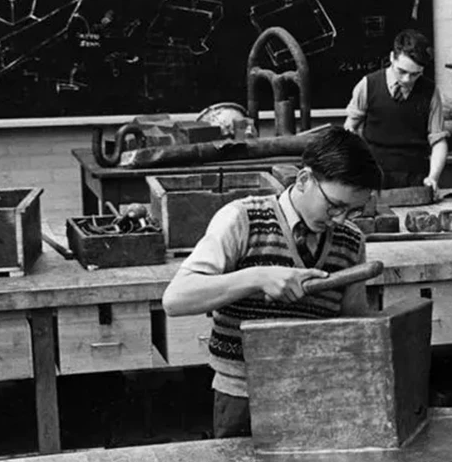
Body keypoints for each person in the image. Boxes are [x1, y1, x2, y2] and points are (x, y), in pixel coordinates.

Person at [161, 128, 381, 439]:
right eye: (334, 205)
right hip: (243, 396)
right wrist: (258, 277)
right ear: (304, 180)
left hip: (317, 397)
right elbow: (175, 299)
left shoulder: (351, 241)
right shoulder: (242, 219)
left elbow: (352, 325)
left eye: (352, 210)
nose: (340, 219)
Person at [344, 29, 452, 190]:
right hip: (373, 176)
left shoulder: (430, 92)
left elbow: (438, 141)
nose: (407, 80)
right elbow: (349, 129)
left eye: (415, 74)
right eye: (401, 71)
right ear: (391, 58)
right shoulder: (368, 85)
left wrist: (433, 177)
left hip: (415, 177)